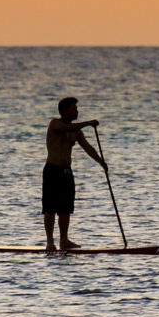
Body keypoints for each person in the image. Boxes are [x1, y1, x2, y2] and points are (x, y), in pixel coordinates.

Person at [43, 97, 107, 251]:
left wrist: (101, 162)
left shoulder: (76, 131)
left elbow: (87, 147)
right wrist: (88, 123)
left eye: (76, 109)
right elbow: (64, 128)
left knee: (66, 208)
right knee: (50, 208)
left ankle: (64, 240)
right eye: (73, 109)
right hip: (52, 170)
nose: (77, 111)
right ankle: (50, 242)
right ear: (65, 111)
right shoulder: (55, 124)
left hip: (67, 172)